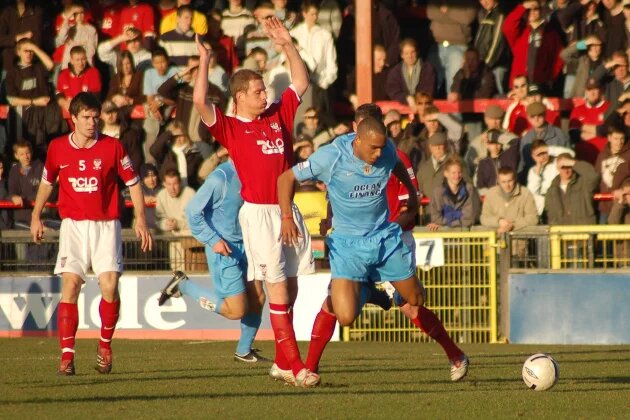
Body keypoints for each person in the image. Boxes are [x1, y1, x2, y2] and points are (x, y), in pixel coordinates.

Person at [279, 116, 469, 383]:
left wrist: (413, 198)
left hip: (384, 239)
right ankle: (366, 293)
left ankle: (455, 353)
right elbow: (286, 178)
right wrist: (287, 217)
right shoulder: (331, 157)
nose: (379, 153)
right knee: (344, 316)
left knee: (415, 300)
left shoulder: (388, 151)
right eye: (374, 148)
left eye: (382, 147)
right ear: (358, 138)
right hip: (347, 246)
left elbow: (399, 166)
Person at [193, 17, 317, 387]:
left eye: (265, 90)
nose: (265, 95)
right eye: (258, 92)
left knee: (290, 290)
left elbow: (302, 82)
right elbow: (200, 100)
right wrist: (204, 60)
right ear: (240, 97)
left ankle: (281, 362)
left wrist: (287, 44)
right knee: (276, 288)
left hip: (287, 210)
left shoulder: (279, 114)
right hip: (261, 214)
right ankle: (297, 368)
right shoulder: (232, 127)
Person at [29, 92, 152, 376]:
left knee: (109, 285)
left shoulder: (113, 147)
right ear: (73, 118)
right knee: (70, 286)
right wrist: (36, 215)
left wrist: (141, 219)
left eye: (96, 117)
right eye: (86, 117)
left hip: (106, 225)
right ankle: (66, 357)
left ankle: (105, 345)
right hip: (73, 226)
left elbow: (133, 184)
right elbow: (47, 183)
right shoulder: (58, 147)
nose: (92, 122)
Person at [158, 160, 269, 363]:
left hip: (248, 246)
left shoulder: (256, 169)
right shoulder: (220, 178)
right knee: (236, 310)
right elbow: (192, 211)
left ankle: (244, 351)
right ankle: (183, 285)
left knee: (258, 298)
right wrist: (213, 240)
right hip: (224, 249)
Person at [428, 156, 480, 231]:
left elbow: (469, 218)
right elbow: (435, 217)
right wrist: (456, 221)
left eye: (459, 172)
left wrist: (445, 223)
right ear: (446, 174)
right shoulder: (437, 192)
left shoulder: (470, 190)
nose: (457, 176)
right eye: (453, 173)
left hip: (465, 235)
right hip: (444, 235)